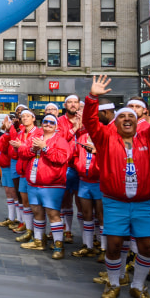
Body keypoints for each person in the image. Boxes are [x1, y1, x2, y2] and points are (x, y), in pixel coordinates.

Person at [84, 74, 150, 298]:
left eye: (130, 116)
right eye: (121, 116)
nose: (126, 119)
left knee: (145, 246)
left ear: (138, 121)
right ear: (115, 122)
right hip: (114, 202)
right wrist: (93, 97)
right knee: (113, 245)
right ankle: (113, 283)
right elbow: (91, 122)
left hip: (143, 204)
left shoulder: (149, 138)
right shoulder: (105, 138)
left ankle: (138, 286)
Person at [18, 114, 71, 259]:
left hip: (52, 185)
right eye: (46, 122)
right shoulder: (35, 138)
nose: (48, 124)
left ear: (56, 126)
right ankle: (38, 240)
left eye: (51, 122)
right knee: (37, 212)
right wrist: (33, 150)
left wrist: (45, 148)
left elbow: (62, 158)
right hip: (34, 183)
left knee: (53, 214)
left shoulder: (60, 140)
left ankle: (59, 246)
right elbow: (22, 152)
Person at [8, 110, 39, 241]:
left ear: (33, 118)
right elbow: (18, 154)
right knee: (25, 202)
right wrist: (17, 148)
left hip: (32, 171)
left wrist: (21, 146)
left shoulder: (38, 133)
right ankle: (28, 229)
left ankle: (37, 234)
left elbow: (33, 151)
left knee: (35, 205)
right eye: (23, 117)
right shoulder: (21, 133)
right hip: (22, 172)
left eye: (27, 116)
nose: (25, 118)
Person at [71, 133, 103, 259]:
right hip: (84, 181)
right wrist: (79, 164)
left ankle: (103, 248)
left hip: (99, 182)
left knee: (101, 216)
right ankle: (88, 246)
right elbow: (75, 155)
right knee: (86, 214)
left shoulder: (103, 136)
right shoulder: (82, 137)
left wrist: (97, 152)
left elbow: (110, 156)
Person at [58, 94, 85, 243]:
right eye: (70, 102)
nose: (73, 105)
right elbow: (60, 140)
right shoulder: (60, 121)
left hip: (82, 166)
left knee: (82, 202)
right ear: (65, 105)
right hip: (66, 166)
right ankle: (67, 231)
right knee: (66, 200)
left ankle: (86, 236)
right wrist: (75, 128)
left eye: (76, 102)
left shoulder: (86, 121)